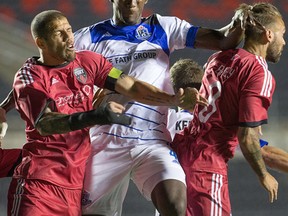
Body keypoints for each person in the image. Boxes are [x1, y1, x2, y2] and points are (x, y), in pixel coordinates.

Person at [5, 10, 204, 216]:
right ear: (41, 43)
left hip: (73, 186)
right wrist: (96, 116)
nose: (68, 38)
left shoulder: (89, 61)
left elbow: (131, 85)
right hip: (39, 183)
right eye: (59, 33)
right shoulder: (30, 76)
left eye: (69, 30)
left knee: (175, 204)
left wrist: (172, 99)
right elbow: (45, 124)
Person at [73, 0, 249, 215]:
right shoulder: (85, 38)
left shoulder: (163, 27)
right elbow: (57, 79)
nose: (131, 1)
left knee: (174, 203)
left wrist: (241, 20)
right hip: (106, 140)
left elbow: (223, 40)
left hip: (152, 140)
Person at [171, 3, 285, 216]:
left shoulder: (218, 58)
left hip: (180, 154)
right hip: (206, 167)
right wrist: (263, 175)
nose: (284, 41)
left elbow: (255, 142)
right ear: (269, 35)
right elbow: (248, 137)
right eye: (282, 35)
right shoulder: (259, 73)